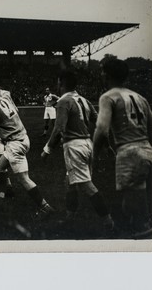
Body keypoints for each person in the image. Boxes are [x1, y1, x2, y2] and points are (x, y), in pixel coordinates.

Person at [41, 70, 114, 230]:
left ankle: (108, 221)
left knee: (87, 186)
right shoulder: (84, 100)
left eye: (58, 81)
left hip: (74, 146)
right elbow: (101, 124)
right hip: (88, 145)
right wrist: (107, 146)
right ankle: (70, 217)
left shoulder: (63, 101)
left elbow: (59, 129)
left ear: (61, 83)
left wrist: (47, 150)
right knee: (69, 183)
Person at [0, 84, 54, 219]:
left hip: (15, 143)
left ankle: (45, 207)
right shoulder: (4, 99)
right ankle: (6, 192)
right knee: (0, 166)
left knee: (24, 178)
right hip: (23, 138)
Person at [92, 59, 152, 237]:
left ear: (108, 74)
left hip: (128, 152)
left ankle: (142, 235)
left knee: (131, 206)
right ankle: (142, 229)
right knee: (136, 198)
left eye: (103, 71)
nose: (101, 74)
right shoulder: (140, 97)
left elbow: (102, 129)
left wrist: (94, 157)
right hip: (147, 149)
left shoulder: (108, 97)